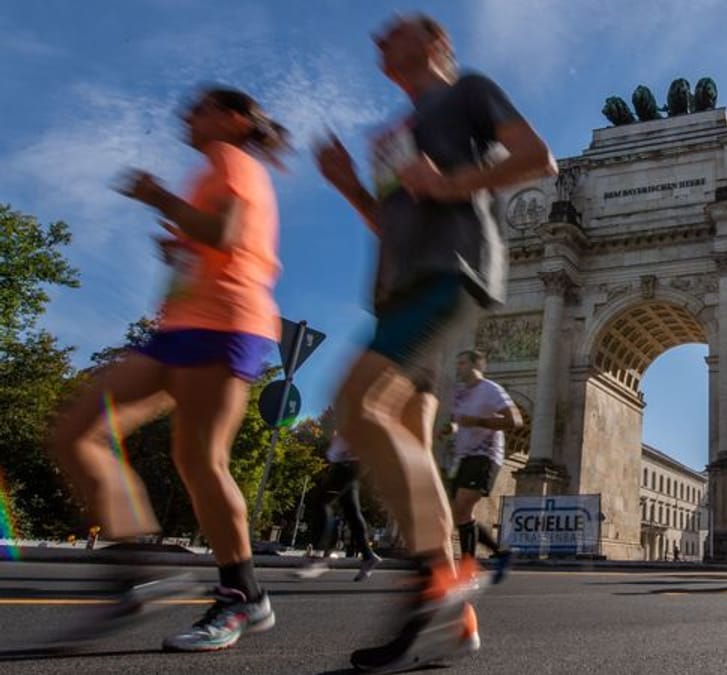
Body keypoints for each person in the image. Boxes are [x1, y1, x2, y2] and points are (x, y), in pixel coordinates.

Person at [314, 13, 556, 671]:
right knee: (410, 439)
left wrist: (449, 184)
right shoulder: (393, 131)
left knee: (353, 407)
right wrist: (347, 187)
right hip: (397, 290)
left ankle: (431, 582)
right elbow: (390, 219)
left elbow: (538, 157)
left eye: (393, 29)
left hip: (450, 274)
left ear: (436, 43)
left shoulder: (468, 90)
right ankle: (457, 617)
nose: (375, 35)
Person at [48, 87, 288, 652]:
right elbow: (210, 244)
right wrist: (177, 250)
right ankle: (139, 563)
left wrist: (157, 197)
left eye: (200, 107)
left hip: (228, 323)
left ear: (231, 120)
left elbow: (223, 234)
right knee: (75, 433)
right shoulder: (212, 169)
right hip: (176, 328)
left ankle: (243, 596)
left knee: (201, 459)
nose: (187, 114)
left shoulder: (235, 162)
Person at [448, 349, 522, 582]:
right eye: (457, 363)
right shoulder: (459, 393)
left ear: (476, 366)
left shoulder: (492, 389)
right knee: (459, 513)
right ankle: (501, 553)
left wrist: (479, 421)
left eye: (462, 363)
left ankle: (468, 569)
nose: (457, 367)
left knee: (461, 507)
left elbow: (515, 420)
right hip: (464, 457)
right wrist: (449, 429)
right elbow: (457, 422)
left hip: (486, 455)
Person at [296, 432, 382, 582]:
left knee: (321, 503)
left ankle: (321, 556)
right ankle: (368, 556)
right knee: (351, 511)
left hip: (349, 461)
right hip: (347, 462)